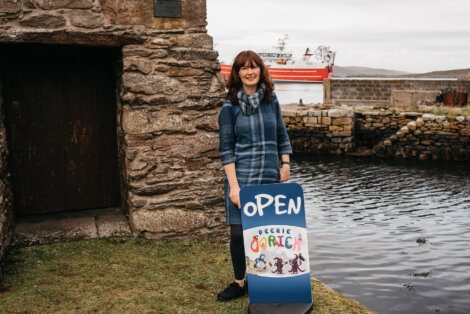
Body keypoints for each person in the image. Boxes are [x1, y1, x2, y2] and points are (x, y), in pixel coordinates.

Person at [216, 50, 293, 301]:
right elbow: (226, 150)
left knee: (268, 233)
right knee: (239, 234)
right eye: (244, 68)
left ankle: (267, 278)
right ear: (237, 74)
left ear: (261, 70)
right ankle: (240, 283)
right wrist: (234, 187)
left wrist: (285, 162)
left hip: (269, 176)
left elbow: (281, 133)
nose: (250, 72)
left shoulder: (272, 101)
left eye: (254, 67)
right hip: (243, 179)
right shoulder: (229, 107)